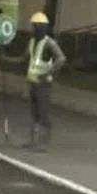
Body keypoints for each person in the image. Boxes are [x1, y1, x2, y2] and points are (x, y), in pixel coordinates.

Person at [25, 11, 66, 150]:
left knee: (43, 114)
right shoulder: (31, 42)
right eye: (35, 26)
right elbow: (23, 59)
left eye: (38, 26)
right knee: (34, 113)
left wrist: (48, 72)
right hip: (32, 83)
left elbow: (61, 59)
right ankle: (33, 141)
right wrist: (4, 58)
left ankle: (42, 144)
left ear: (44, 27)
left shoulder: (49, 43)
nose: (36, 28)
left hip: (43, 84)